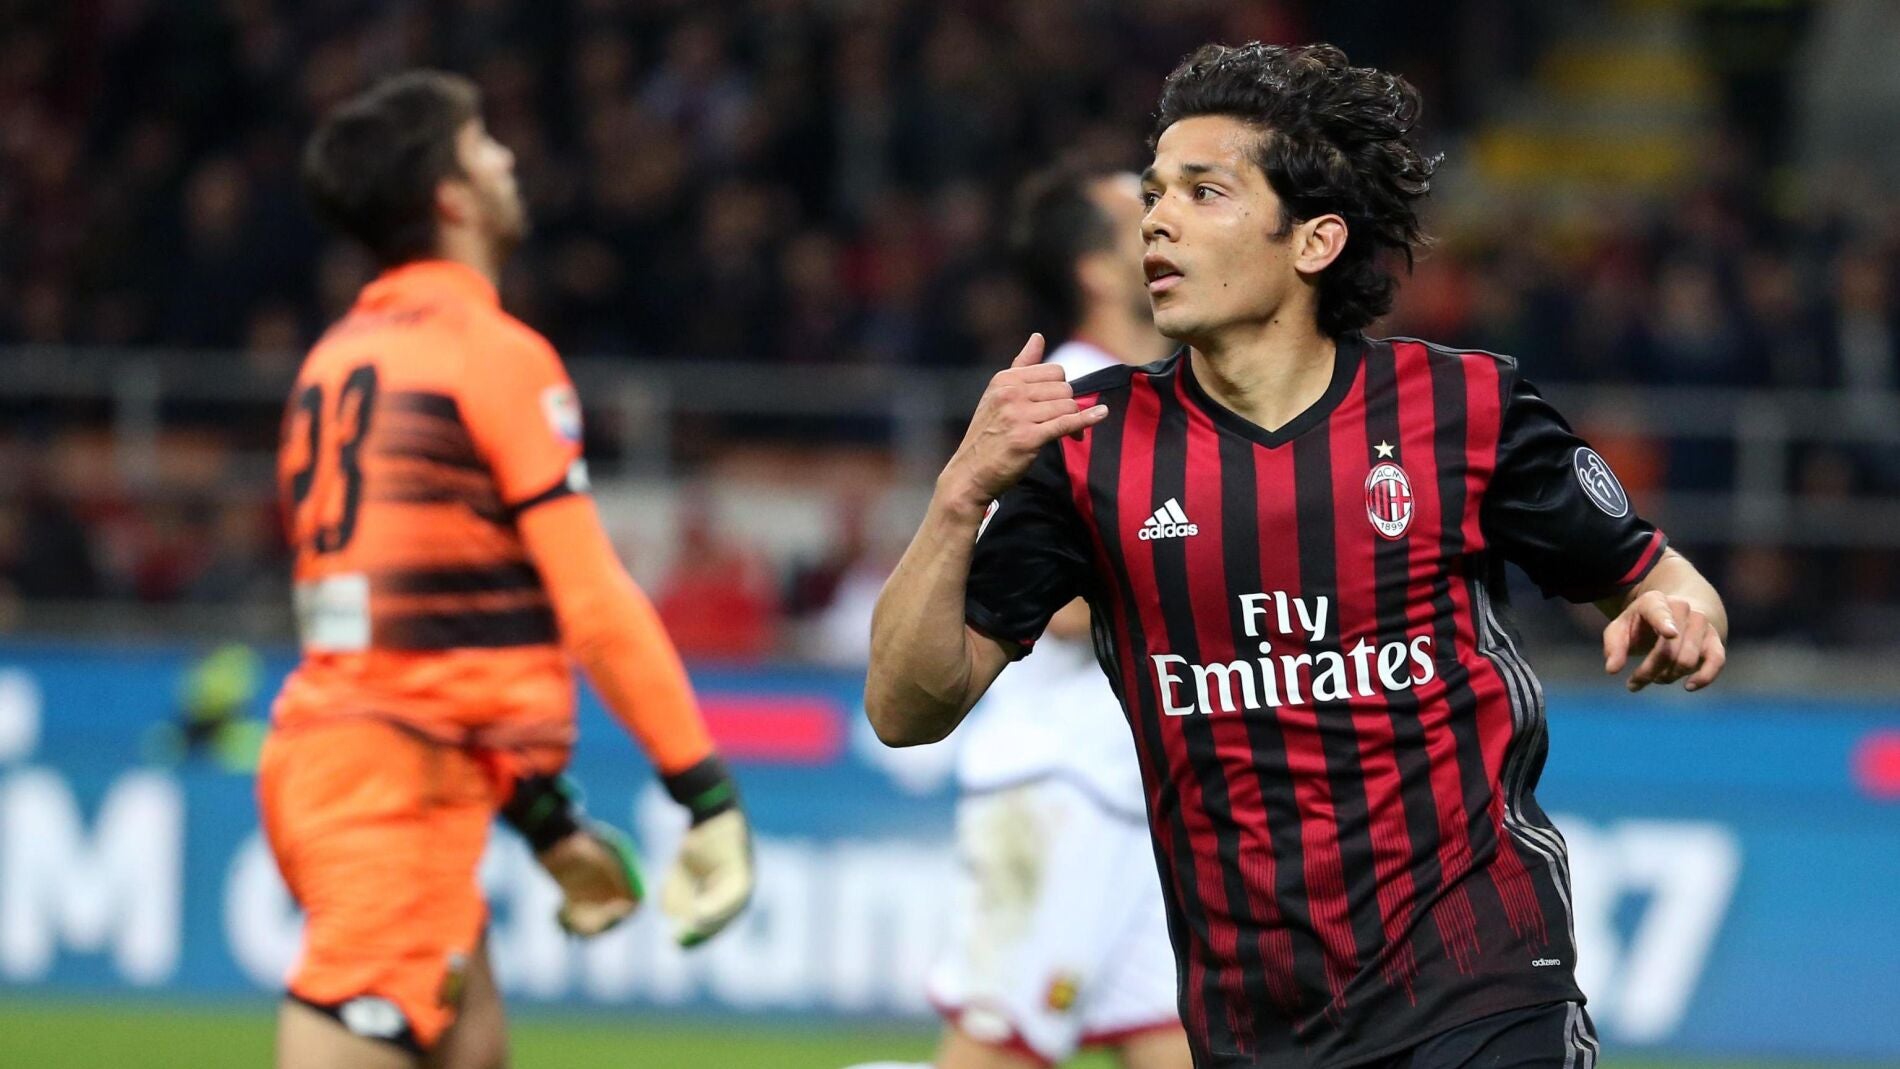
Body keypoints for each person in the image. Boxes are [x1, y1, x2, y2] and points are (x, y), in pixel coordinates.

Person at [866, 43, 1729, 1069]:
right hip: (1256, 1024)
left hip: (1481, 984)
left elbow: (1658, 574)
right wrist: (959, 496)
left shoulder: (1464, 408)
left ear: (1313, 240)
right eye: (1151, 194)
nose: (1157, 218)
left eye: (1203, 190)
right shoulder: (1088, 443)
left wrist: (1679, 611)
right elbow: (906, 709)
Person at [263, 70, 754, 1069]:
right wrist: (702, 792)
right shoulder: (491, 354)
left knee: (473, 1044)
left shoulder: (334, 361)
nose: (507, 160)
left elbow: (420, 644)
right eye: (483, 143)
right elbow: (595, 602)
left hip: (352, 760)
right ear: (450, 196)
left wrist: (546, 822)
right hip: (390, 795)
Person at [916, 167, 1190, 1069]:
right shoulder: (1064, 396)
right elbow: (1030, 595)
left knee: (1182, 1047)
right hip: (1057, 788)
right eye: (1139, 213)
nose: (1165, 220)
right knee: (998, 1055)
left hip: (1138, 795)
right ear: (1098, 271)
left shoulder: (1151, 391)